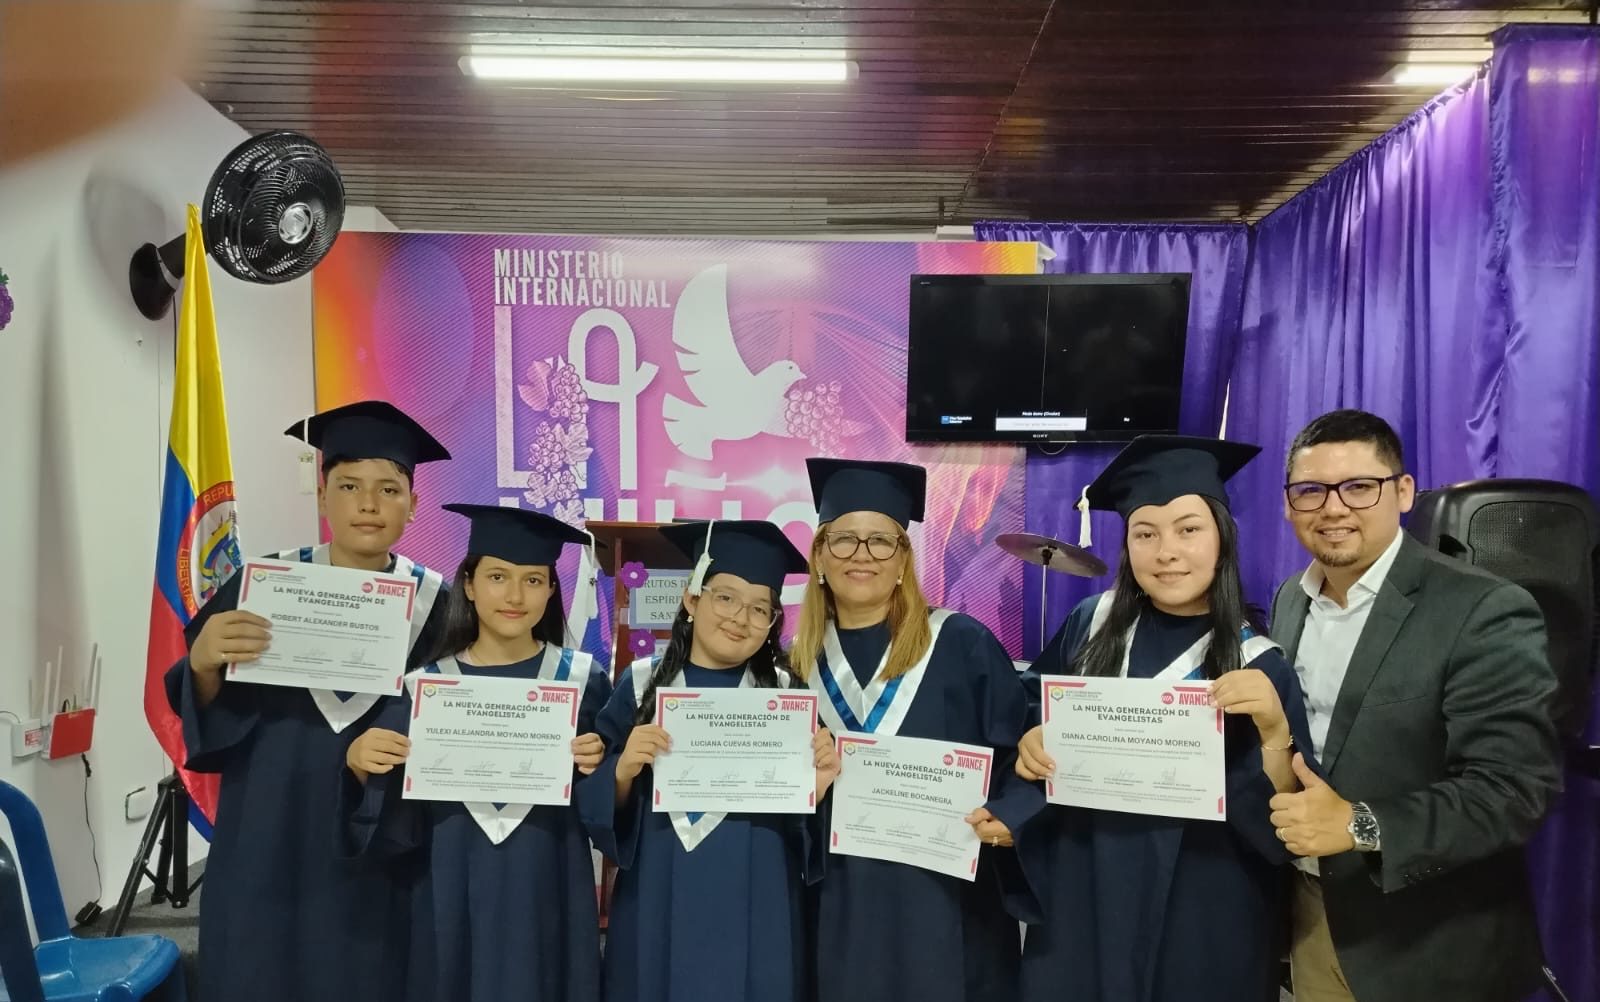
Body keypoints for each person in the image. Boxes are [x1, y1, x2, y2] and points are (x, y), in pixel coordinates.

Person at [1267, 409, 1561, 1002]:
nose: (1333, 508)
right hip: (1311, 917)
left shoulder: (1482, 609)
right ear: (1288, 504)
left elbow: (1513, 790)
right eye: (1311, 490)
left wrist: (1358, 823)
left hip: (1427, 943)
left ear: (1403, 493)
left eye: (1359, 487)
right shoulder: (1289, 599)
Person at [164, 400, 453, 1002]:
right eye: (348, 486)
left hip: (378, 841)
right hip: (269, 824)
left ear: (413, 505)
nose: (368, 504)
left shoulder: (442, 609)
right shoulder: (263, 588)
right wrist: (202, 663)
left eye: (389, 489)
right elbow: (206, 713)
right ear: (322, 497)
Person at [1013, 435, 1315, 1002]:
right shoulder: (1091, 624)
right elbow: (1031, 705)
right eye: (1145, 534)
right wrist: (1031, 738)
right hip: (1085, 889)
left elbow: (1284, 824)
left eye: (1188, 529)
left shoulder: (1258, 663)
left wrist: (1276, 731)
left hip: (1204, 907)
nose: (1166, 551)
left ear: (1222, 538)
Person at [791, 458, 1042, 1002]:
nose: (862, 554)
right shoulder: (795, 667)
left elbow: (1027, 750)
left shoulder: (961, 643)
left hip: (947, 902)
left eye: (882, 541)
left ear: (904, 560)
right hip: (839, 903)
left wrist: (1012, 814)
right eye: (844, 539)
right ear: (820, 557)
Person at [341, 503, 612, 1002]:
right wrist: (361, 765)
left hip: (549, 879)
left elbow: (608, 809)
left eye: (533, 580)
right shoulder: (426, 687)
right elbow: (390, 818)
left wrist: (600, 768)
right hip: (448, 879)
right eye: (497, 577)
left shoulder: (582, 680)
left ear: (551, 590)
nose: (515, 596)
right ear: (468, 584)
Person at [578, 519, 839, 1002]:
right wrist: (624, 769)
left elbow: (807, 827)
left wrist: (817, 788)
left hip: (759, 896)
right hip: (658, 892)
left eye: (760, 609)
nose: (741, 618)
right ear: (692, 599)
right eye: (726, 598)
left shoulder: (786, 696)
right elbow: (596, 806)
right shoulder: (640, 685)